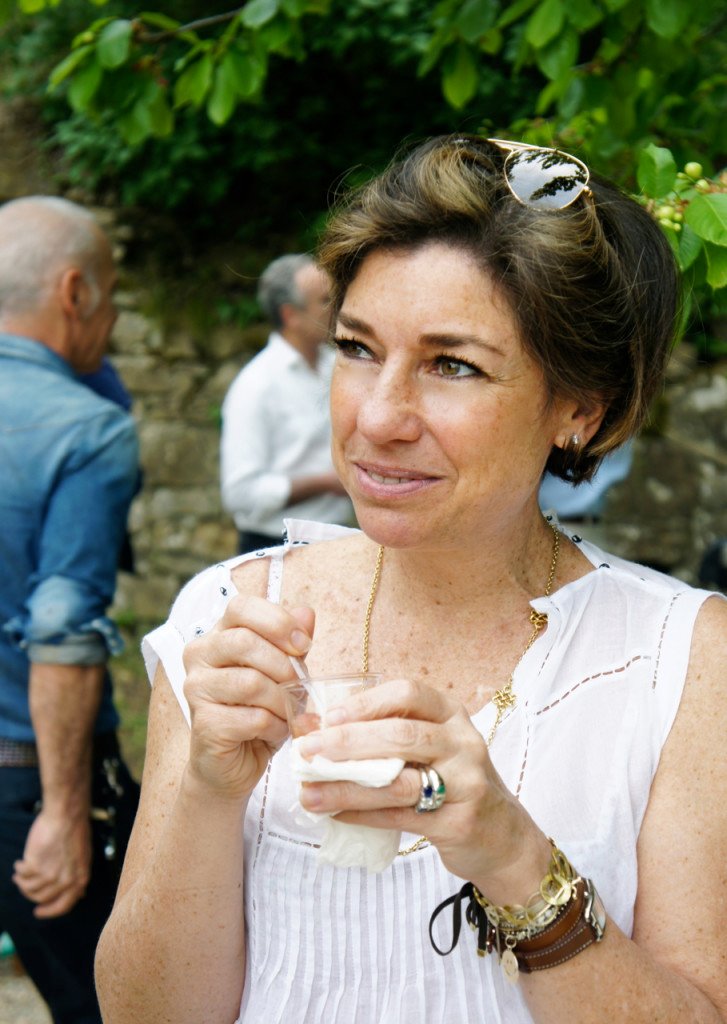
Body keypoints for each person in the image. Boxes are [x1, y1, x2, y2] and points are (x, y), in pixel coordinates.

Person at [96, 136, 727, 1024]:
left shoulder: (683, 664)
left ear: (579, 408)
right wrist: (207, 789)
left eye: (452, 365)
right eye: (355, 348)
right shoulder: (232, 613)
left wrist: (512, 857)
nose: (379, 416)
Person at [0, 196, 141, 1024]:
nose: (116, 317)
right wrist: (62, 815)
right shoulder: (87, 430)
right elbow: (60, 628)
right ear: (76, 291)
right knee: (114, 1006)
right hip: (24, 781)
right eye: (114, 293)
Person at [220, 253, 353, 553]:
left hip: (336, 541)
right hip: (274, 550)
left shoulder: (337, 366)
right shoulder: (255, 386)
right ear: (290, 314)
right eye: (324, 300)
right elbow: (240, 493)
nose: (336, 308)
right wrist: (326, 483)